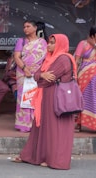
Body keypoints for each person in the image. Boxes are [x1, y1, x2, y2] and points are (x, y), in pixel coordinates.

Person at [12, 34, 77, 170]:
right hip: (47, 97)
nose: (49, 45)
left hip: (57, 99)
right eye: (49, 42)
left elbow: (45, 80)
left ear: (60, 44)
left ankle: (56, 160)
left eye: (52, 43)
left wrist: (40, 76)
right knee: (43, 127)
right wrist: (40, 75)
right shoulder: (49, 59)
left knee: (56, 130)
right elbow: (38, 76)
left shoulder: (63, 59)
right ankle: (37, 156)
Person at [13, 20, 47, 132]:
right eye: (24, 27)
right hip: (23, 74)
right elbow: (17, 57)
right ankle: (23, 124)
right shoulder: (21, 41)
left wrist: (38, 72)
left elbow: (45, 59)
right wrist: (25, 69)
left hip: (37, 74)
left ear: (35, 28)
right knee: (23, 98)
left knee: (36, 97)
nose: (25, 29)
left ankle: (35, 122)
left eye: (28, 26)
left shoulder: (42, 42)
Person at [74, 26, 96, 132]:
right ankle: (78, 123)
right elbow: (76, 60)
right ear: (93, 35)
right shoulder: (83, 44)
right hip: (84, 75)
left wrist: (94, 45)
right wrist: (74, 74)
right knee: (82, 98)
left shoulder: (93, 44)